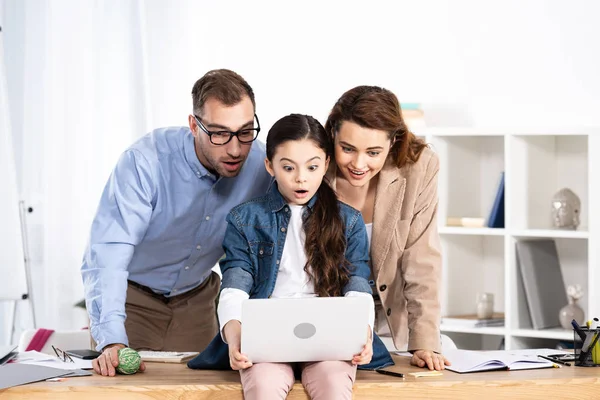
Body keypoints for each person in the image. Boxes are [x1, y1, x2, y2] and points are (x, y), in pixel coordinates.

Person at [81, 69, 272, 377]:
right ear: (194, 125)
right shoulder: (146, 162)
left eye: (246, 131)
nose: (236, 149)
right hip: (133, 303)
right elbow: (108, 252)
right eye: (220, 133)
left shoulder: (263, 165)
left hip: (196, 303)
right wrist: (112, 338)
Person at [187, 114, 393, 399]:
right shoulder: (245, 219)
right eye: (288, 167)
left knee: (334, 386)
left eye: (312, 167)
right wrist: (234, 335)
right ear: (270, 166)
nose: (301, 178)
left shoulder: (349, 221)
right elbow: (235, 282)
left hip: (329, 338)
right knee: (263, 387)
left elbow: (357, 281)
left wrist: (363, 332)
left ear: (326, 165)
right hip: (266, 338)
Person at [324, 85, 451, 371]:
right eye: (347, 148)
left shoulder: (419, 166)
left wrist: (425, 341)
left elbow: (422, 259)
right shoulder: (313, 165)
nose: (358, 164)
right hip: (330, 316)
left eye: (373, 152)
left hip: (394, 319)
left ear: (393, 142)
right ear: (332, 133)